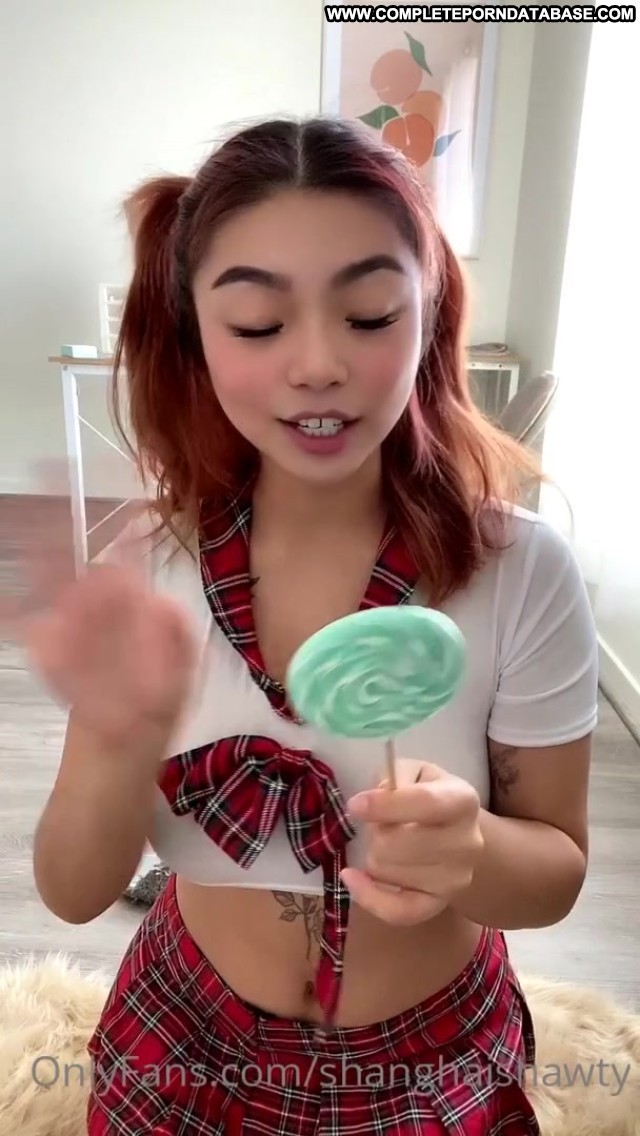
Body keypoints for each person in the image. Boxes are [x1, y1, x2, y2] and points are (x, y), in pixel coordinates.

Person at [22, 115, 598, 1134]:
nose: (320, 363)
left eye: (370, 314)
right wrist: (118, 735)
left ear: (430, 313)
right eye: (257, 324)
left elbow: (554, 869)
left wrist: (470, 849)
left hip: (435, 1050)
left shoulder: (519, 570)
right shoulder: (150, 567)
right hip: (186, 1033)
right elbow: (72, 892)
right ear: (194, 335)